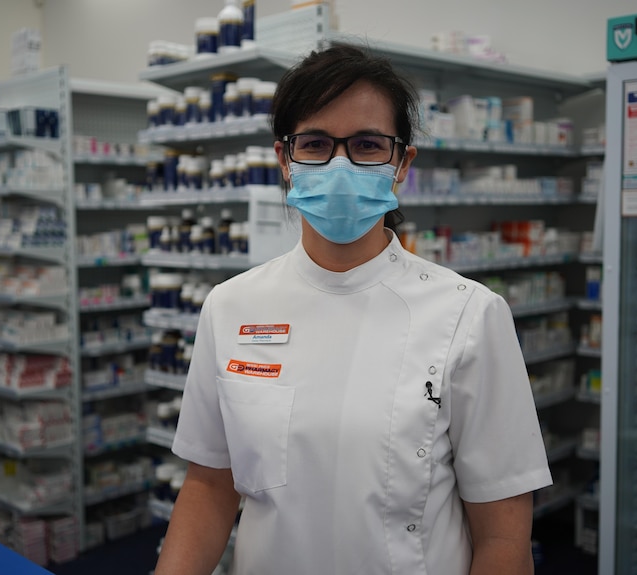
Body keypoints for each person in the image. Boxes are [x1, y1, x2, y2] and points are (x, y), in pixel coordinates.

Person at [154, 42, 552, 575]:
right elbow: (209, 485)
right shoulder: (230, 307)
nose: (339, 164)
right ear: (285, 160)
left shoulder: (469, 315)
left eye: (367, 144)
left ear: (401, 162)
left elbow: (503, 539)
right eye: (315, 143)